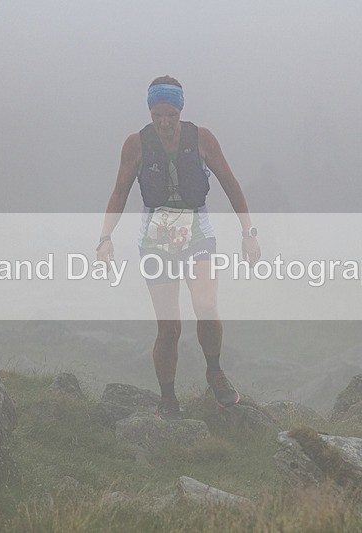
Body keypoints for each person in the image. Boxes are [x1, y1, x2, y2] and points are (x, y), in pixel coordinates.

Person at [97, 76, 260, 419]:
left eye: (170, 114)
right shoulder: (135, 145)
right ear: (150, 111)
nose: (165, 123)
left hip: (198, 231)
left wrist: (249, 232)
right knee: (169, 327)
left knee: (205, 305)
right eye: (157, 115)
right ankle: (168, 399)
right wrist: (105, 238)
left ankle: (214, 372)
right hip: (155, 238)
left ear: (180, 110)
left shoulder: (202, 139)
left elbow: (231, 184)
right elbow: (119, 192)